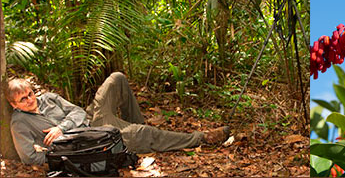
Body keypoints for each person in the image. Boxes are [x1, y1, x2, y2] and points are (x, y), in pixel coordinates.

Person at [6, 72, 230, 165]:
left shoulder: (48, 98)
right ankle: (200, 138)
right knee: (142, 135)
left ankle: (142, 133)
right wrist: (66, 153)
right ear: (14, 105)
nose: (29, 100)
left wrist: (61, 128)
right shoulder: (20, 123)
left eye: (30, 94)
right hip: (90, 139)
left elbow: (78, 112)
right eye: (23, 100)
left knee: (117, 78)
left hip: (92, 117)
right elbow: (28, 157)